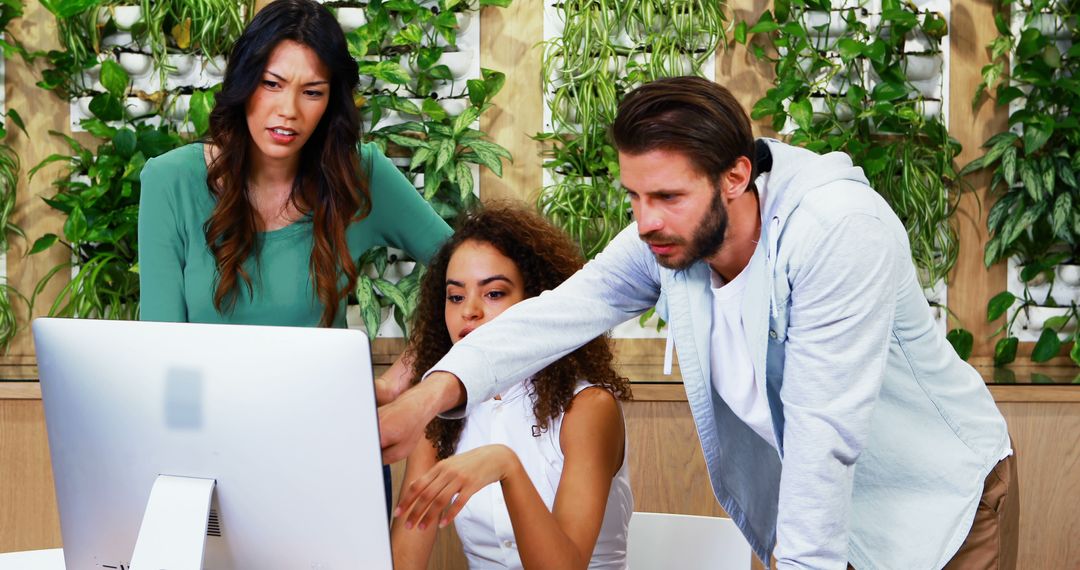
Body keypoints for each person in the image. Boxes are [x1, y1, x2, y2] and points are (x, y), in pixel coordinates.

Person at [378, 77, 1018, 569]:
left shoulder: (838, 233)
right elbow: (562, 312)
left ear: (737, 175)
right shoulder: (673, 237)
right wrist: (430, 394)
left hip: (936, 504)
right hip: (821, 513)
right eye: (634, 196)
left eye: (666, 197)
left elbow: (823, 442)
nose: (645, 219)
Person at [137, 0, 451, 510]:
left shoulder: (360, 176)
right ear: (244, 84)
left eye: (312, 92)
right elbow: (161, 354)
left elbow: (470, 269)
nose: (289, 110)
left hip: (329, 450)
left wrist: (408, 374)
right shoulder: (171, 181)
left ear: (331, 102)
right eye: (272, 83)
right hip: (205, 460)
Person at [390, 205, 633, 569]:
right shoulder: (439, 414)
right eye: (455, 296)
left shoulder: (588, 407)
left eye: (494, 294)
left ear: (537, 301)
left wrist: (505, 466)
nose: (469, 311)